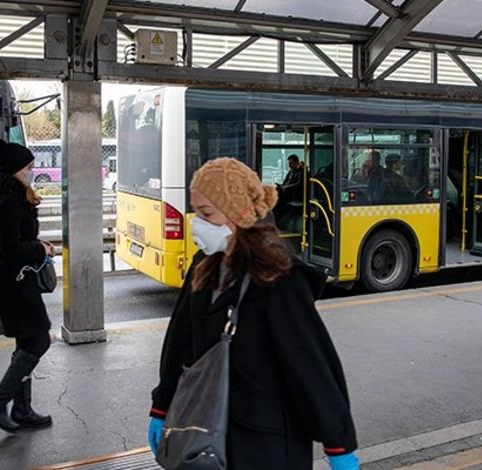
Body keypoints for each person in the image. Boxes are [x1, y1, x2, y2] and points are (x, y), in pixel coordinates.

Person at [147, 157, 360, 469]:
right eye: (196, 211)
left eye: (206, 214)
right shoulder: (203, 266)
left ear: (237, 216)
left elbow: (310, 365)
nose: (197, 222)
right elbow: (180, 340)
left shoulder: (278, 279)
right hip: (206, 431)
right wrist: (162, 404)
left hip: (265, 443)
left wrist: (339, 444)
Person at [0, 139, 54, 432]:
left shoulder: (12, 197)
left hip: (16, 281)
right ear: (15, 170)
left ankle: (22, 409)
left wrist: (37, 245)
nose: (33, 171)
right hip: (15, 284)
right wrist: (41, 250)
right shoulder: (9, 202)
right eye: (29, 167)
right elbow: (10, 248)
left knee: (26, 343)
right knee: (40, 340)